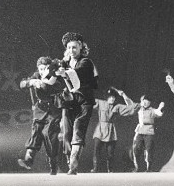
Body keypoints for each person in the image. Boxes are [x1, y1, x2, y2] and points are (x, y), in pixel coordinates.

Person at [55, 32, 98, 175]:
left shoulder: (86, 62)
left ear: (81, 47)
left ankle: (73, 161)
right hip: (69, 101)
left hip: (84, 100)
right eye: (69, 47)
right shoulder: (65, 63)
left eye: (74, 47)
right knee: (66, 131)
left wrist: (65, 73)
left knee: (78, 128)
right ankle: (69, 160)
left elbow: (77, 73)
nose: (72, 50)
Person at [17, 56, 64, 175]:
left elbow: (52, 87)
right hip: (39, 112)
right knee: (35, 134)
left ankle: (53, 166)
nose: (43, 71)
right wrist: (31, 82)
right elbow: (22, 84)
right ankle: (28, 160)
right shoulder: (36, 76)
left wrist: (42, 83)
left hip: (53, 113)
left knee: (50, 136)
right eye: (41, 69)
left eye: (45, 69)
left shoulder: (55, 78)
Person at [90, 88, 134, 173]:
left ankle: (110, 169)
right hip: (100, 130)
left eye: (113, 97)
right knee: (96, 150)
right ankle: (95, 168)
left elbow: (130, 106)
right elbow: (88, 101)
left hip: (111, 131)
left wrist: (124, 95)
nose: (112, 99)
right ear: (106, 98)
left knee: (110, 153)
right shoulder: (100, 103)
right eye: (110, 97)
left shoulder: (117, 106)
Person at [131, 95, 165, 172]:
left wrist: (160, 107)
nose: (145, 103)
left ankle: (148, 168)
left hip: (149, 131)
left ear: (150, 103)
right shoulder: (139, 109)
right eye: (144, 101)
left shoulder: (152, 110)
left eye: (147, 101)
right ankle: (137, 167)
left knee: (148, 149)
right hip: (140, 130)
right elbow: (130, 105)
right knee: (136, 148)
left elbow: (159, 113)